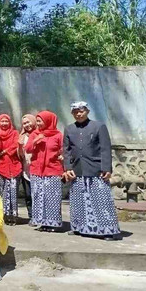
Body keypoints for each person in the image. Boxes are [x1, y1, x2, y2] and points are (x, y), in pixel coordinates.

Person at [63, 102, 121, 241]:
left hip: (96, 170)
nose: (78, 114)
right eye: (75, 111)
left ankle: (107, 230)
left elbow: (105, 148)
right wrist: (68, 168)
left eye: (81, 111)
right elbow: (66, 150)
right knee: (78, 202)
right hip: (77, 170)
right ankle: (78, 227)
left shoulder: (99, 126)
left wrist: (106, 168)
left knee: (101, 201)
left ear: (87, 111)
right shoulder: (69, 129)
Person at [25, 111, 64, 232]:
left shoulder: (58, 135)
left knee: (52, 197)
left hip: (52, 170)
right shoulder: (35, 134)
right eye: (37, 121)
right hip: (37, 171)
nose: (38, 124)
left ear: (48, 121)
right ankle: (41, 223)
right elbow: (28, 149)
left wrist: (61, 156)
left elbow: (63, 150)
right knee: (38, 197)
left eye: (39, 121)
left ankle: (53, 224)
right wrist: (36, 140)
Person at [0, 114, 21, 225]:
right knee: (3, 190)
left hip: (14, 166)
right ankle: (4, 215)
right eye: (2, 121)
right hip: (1, 166)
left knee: (13, 190)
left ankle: (13, 216)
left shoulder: (14, 133)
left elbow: (14, 146)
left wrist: (4, 152)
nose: (4, 123)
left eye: (6, 121)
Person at [17, 114, 36, 223]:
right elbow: (20, 155)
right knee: (28, 194)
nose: (27, 125)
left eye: (29, 122)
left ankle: (40, 216)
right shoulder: (22, 136)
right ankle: (31, 216)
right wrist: (19, 145)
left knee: (38, 194)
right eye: (24, 123)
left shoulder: (40, 134)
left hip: (38, 170)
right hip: (26, 170)